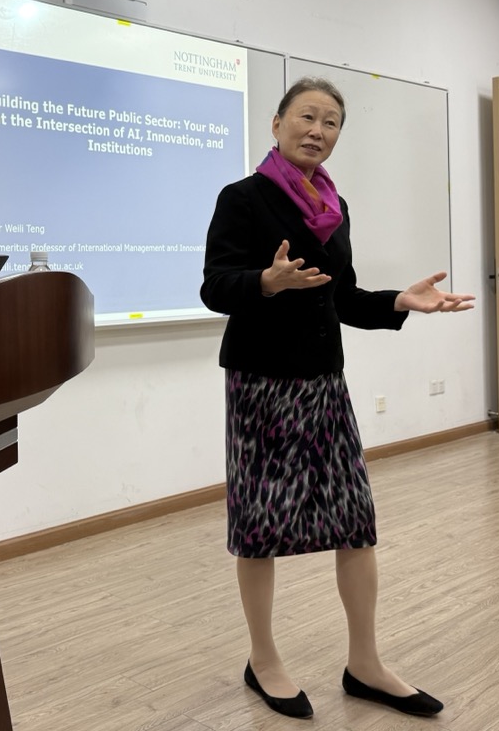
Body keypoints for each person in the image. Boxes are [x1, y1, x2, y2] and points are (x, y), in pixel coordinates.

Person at [200, 76, 474, 720]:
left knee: (355, 522)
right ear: (276, 124)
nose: (317, 130)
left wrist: (400, 300)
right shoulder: (243, 198)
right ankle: (263, 659)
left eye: (330, 122)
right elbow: (215, 287)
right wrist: (265, 282)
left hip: (324, 381)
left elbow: (342, 296)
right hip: (261, 382)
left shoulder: (333, 204)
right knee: (260, 527)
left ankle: (365, 663)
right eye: (306, 117)